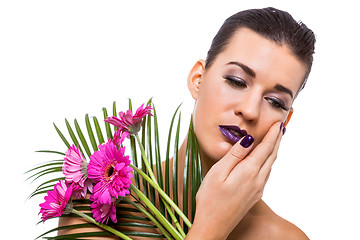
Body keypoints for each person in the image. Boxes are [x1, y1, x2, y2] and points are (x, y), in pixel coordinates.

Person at [59, 7, 315, 239]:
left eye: (275, 102)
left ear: (285, 121)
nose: (249, 111)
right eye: (237, 81)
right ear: (198, 79)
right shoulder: (97, 209)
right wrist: (212, 225)